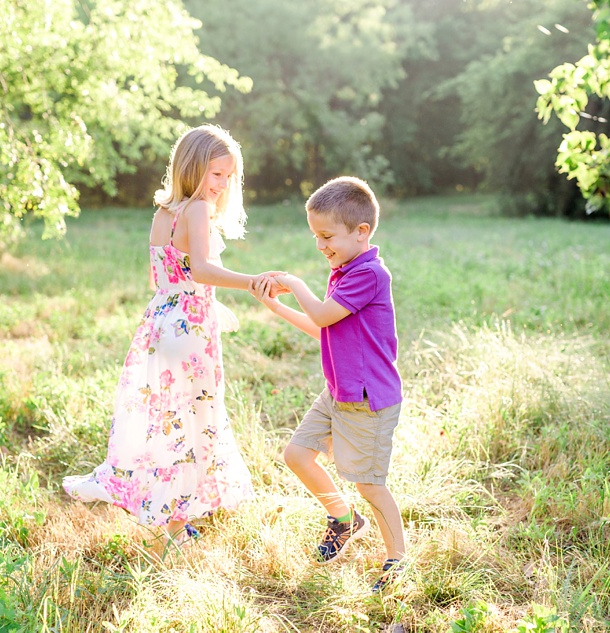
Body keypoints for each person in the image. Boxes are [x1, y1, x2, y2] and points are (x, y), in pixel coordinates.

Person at [63, 124, 281, 545]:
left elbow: (163, 276)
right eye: (216, 173)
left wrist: (206, 302)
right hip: (189, 329)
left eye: (229, 176)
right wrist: (252, 281)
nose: (222, 184)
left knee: (167, 418)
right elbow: (200, 269)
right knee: (193, 419)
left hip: (161, 320)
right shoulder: (196, 210)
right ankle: (178, 519)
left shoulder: (165, 213)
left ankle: (172, 514)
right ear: (192, 167)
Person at [250, 176, 405, 593]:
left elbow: (320, 315)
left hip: (367, 399)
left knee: (369, 484)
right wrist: (276, 305)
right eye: (315, 236)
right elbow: (323, 327)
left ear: (361, 232)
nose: (320, 245)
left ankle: (397, 559)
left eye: (326, 236)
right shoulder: (344, 269)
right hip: (337, 392)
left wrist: (294, 282)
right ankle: (342, 519)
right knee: (297, 454)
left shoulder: (369, 273)